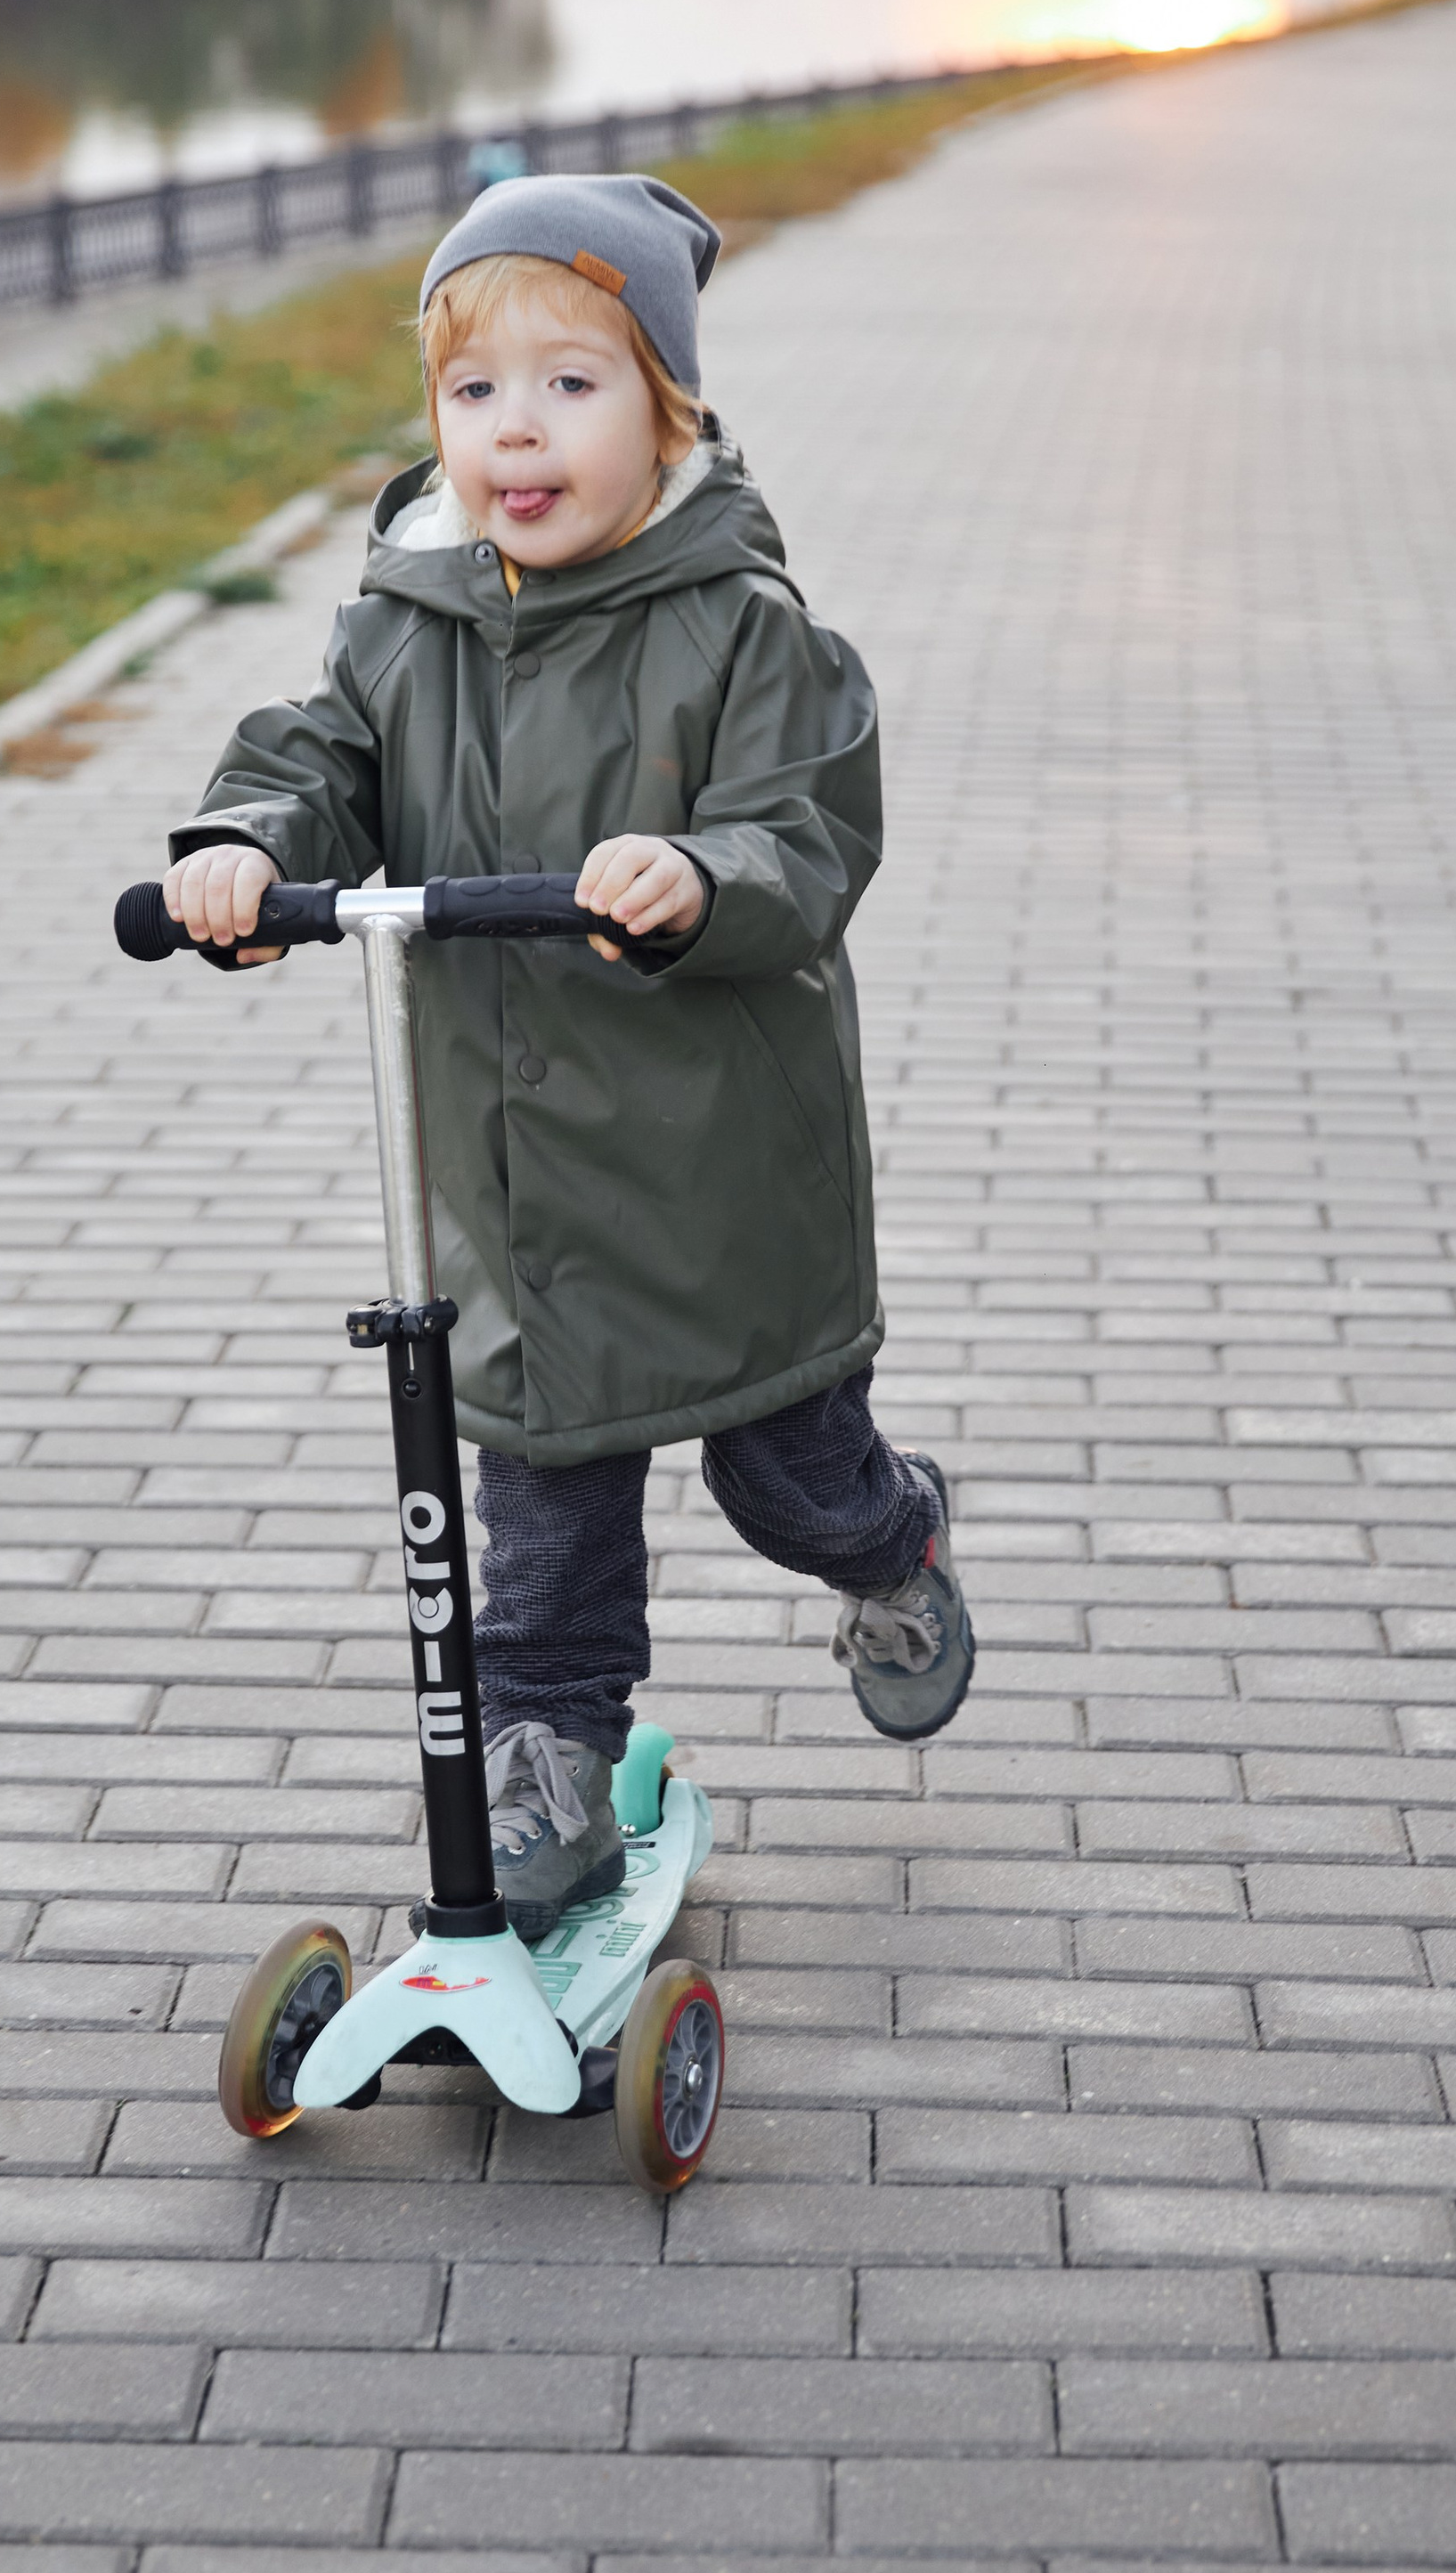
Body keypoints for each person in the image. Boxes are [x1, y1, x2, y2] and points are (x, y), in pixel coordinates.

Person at [162, 171, 975, 1933]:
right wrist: (247, 845)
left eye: (569, 386)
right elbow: (320, 755)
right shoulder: (404, 621)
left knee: (787, 1475)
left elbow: (806, 836)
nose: (512, 429)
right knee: (536, 1503)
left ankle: (888, 1540)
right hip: (520, 1188)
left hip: (719, 1184)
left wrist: (699, 873)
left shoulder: (741, 627)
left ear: (664, 409)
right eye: (473, 393)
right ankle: (542, 1753)